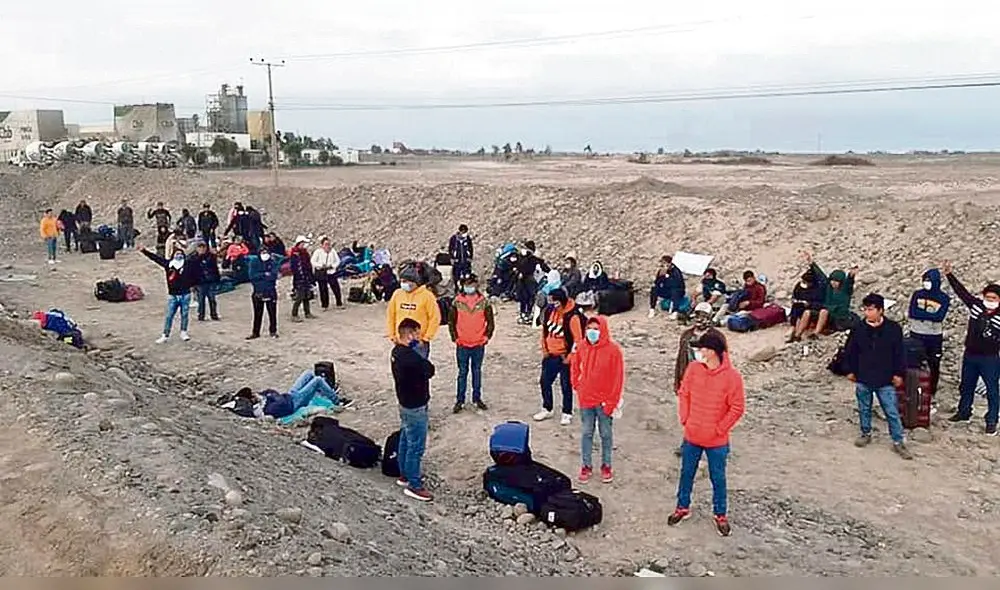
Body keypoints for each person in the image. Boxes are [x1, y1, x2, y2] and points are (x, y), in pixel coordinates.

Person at [668, 330, 745, 537]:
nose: (699, 352)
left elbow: (737, 408)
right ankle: (682, 507)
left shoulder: (732, 378)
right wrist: (685, 418)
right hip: (692, 435)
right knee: (686, 473)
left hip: (717, 441)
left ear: (713, 351)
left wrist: (719, 429)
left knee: (718, 477)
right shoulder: (693, 369)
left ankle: (720, 513)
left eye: (702, 348)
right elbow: (684, 393)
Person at [842, 293, 913, 458]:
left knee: (891, 411)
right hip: (864, 375)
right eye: (865, 309)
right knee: (864, 408)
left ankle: (898, 441)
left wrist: (898, 373)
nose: (867, 313)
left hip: (885, 377)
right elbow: (850, 351)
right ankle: (865, 433)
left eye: (871, 309)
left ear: (880, 310)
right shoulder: (858, 328)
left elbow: (899, 353)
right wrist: (850, 370)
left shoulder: (893, 329)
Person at [942, 262, 1000, 434]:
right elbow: (962, 293)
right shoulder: (976, 306)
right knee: (966, 385)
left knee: (992, 390)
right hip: (970, 355)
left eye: (994, 299)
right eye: (987, 297)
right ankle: (964, 412)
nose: (989, 301)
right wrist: (949, 275)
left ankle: (991, 421)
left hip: (990, 358)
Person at [572, 315, 624, 484]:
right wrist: (576, 384)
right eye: (589, 329)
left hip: (604, 401)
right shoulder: (581, 347)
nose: (591, 332)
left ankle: (606, 465)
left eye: (595, 329)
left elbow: (618, 378)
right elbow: (574, 365)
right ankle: (586, 466)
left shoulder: (613, 350)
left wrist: (612, 402)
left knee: (606, 434)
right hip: (586, 399)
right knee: (586, 433)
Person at [391, 318, 436, 502]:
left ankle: (404, 474)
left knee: (405, 439)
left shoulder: (396, 352)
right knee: (416, 446)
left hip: (404, 403)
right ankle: (414, 485)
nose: (419, 337)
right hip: (416, 405)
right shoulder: (411, 357)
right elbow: (429, 370)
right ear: (410, 335)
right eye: (417, 333)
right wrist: (420, 353)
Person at [674, 303, 724, 455]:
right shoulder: (687, 336)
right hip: (690, 381)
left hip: (711, 382)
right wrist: (678, 381)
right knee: (690, 416)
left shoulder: (717, 337)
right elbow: (681, 359)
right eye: (697, 315)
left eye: (703, 316)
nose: (699, 319)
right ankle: (688, 445)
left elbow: (723, 362)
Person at [534, 288, 585, 425]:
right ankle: (547, 408)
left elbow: (577, 340)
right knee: (544, 382)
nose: (552, 305)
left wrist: (569, 358)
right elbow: (545, 331)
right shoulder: (550, 311)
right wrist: (545, 349)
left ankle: (567, 412)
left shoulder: (572, 316)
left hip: (565, 357)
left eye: (554, 302)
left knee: (566, 385)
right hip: (550, 354)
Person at [448, 273, 494, 413]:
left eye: (472, 284)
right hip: (462, 343)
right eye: (467, 284)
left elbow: (490, 321)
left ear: (476, 285)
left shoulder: (484, 302)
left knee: (476, 371)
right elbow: (451, 321)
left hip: (478, 343)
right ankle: (460, 400)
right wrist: (454, 337)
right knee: (462, 373)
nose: (470, 287)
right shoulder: (457, 302)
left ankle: (477, 398)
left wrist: (487, 336)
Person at [140, 245, 201, 344]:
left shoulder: (188, 265)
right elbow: (156, 259)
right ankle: (165, 334)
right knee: (169, 315)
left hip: (185, 294)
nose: (179, 255)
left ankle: (183, 332)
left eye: (181, 254)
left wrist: (192, 285)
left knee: (184, 315)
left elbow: (196, 271)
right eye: (177, 254)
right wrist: (145, 251)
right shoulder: (168, 265)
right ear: (173, 255)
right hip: (173, 295)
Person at [907, 268, 950, 400]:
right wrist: (930, 315)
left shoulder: (943, 298)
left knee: (934, 363)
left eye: (929, 280)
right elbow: (912, 312)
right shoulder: (917, 294)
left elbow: (939, 317)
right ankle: (913, 388)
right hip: (916, 334)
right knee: (913, 362)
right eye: (925, 280)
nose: (926, 283)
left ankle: (931, 391)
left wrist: (923, 315)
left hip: (933, 336)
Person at [233, 370, 346, 419]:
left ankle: (326, 390)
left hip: (290, 396)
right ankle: (337, 401)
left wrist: (268, 396)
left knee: (308, 374)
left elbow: (271, 391)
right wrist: (268, 396)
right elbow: (278, 399)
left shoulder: (263, 401)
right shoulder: (266, 410)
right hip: (293, 403)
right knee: (317, 380)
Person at [386, 265, 441, 359]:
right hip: (401, 340)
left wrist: (426, 338)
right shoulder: (397, 294)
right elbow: (391, 315)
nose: (403, 284)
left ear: (414, 282)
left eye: (405, 281)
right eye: (402, 281)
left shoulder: (427, 296)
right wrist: (392, 335)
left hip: (418, 342)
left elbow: (435, 318)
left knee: (418, 371)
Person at [809, 255, 858, 336]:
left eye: (836, 281)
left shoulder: (845, 290)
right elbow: (820, 275)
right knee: (808, 312)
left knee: (823, 311)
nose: (833, 283)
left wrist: (852, 274)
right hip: (829, 315)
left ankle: (816, 333)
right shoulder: (829, 288)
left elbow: (849, 281)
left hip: (839, 317)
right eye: (832, 280)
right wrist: (812, 263)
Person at [246, 247, 285, 339]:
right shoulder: (254, 262)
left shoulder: (272, 262)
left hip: (270, 291)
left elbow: (274, 275)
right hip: (258, 291)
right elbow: (252, 276)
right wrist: (264, 274)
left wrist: (263, 276)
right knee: (257, 314)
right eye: (262, 252)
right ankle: (255, 332)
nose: (265, 254)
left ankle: (273, 331)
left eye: (266, 252)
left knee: (272, 313)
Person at [511, 241, 549, 325]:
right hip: (522, 281)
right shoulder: (521, 258)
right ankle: (523, 313)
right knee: (523, 298)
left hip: (530, 281)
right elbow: (517, 266)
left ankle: (528, 313)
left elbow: (545, 268)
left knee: (530, 297)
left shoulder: (534, 259)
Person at [786, 267, 825, 343]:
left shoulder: (818, 289)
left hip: (812, 308)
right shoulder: (799, 286)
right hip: (800, 305)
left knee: (805, 313)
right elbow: (795, 295)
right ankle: (793, 328)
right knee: (796, 308)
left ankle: (797, 334)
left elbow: (820, 303)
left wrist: (810, 304)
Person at [311, 236, 343, 310]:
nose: (327, 246)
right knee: (323, 289)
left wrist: (332, 266)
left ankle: (339, 303)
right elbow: (313, 261)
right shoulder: (318, 252)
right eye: (325, 244)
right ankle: (325, 305)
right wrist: (321, 265)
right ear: (322, 245)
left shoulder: (333, 251)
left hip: (331, 272)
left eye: (328, 244)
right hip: (321, 272)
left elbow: (338, 261)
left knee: (336, 288)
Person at [192, 241, 221, 322]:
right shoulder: (193, 258)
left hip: (210, 280)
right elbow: (192, 271)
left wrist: (217, 279)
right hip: (200, 282)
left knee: (212, 299)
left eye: (203, 247)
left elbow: (215, 268)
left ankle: (214, 314)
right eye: (200, 247)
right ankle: (201, 315)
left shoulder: (211, 257)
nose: (202, 249)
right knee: (201, 300)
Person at [289, 236, 316, 321]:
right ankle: (294, 314)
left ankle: (307, 312)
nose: (304, 245)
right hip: (299, 278)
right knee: (300, 296)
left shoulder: (305, 253)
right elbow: (294, 267)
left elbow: (308, 265)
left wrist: (311, 277)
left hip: (306, 276)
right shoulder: (295, 254)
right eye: (302, 243)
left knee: (307, 296)